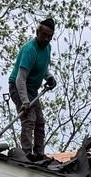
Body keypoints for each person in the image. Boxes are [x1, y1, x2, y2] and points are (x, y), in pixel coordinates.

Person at [8, 18, 56, 160]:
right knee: (29, 118)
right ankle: (27, 153)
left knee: (40, 121)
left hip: (32, 91)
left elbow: (42, 67)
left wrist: (49, 77)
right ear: (37, 32)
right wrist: (24, 101)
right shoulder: (30, 50)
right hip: (18, 88)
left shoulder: (47, 48)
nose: (46, 39)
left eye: (50, 36)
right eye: (44, 35)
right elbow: (20, 79)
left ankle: (39, 153)